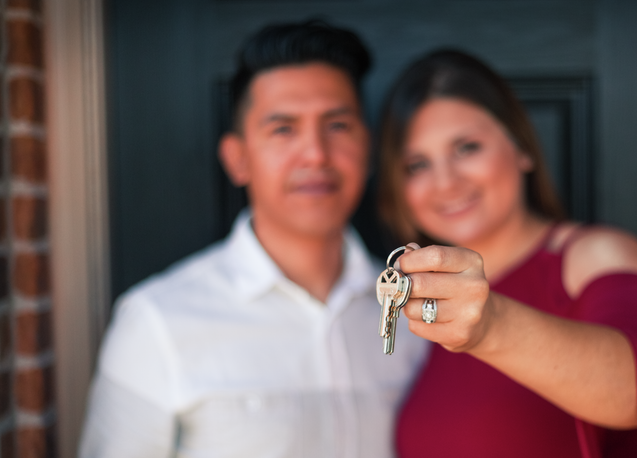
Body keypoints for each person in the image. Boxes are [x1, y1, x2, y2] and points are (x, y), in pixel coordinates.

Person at [79, 21, 427, 458]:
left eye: (337, 125)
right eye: (283, 129)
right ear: (238, 159)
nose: (316, 153)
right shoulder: (155, 322)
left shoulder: (418, 314)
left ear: (368, 147)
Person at [376, 49, 637, 458]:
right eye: (417, 165)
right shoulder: (407, 295)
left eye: (466, 148)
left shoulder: (591, 256)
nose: (445, 181)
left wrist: (489, 325)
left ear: (522, 148)